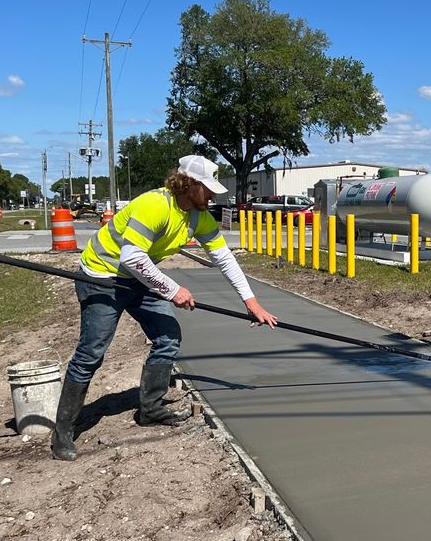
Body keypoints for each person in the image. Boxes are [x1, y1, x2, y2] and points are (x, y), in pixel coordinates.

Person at [51, 155, 277, 461]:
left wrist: (251, 302)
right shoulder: (154, 205)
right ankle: (63, 430)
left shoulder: (198, 215)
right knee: (92, 352)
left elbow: (223, 258)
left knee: (168, 338)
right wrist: (173, 290)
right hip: (102, 276)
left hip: (139, 279)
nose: (212, 196)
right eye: (207, 189)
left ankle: (151, 409)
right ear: (189, 184)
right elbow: (132, 258)